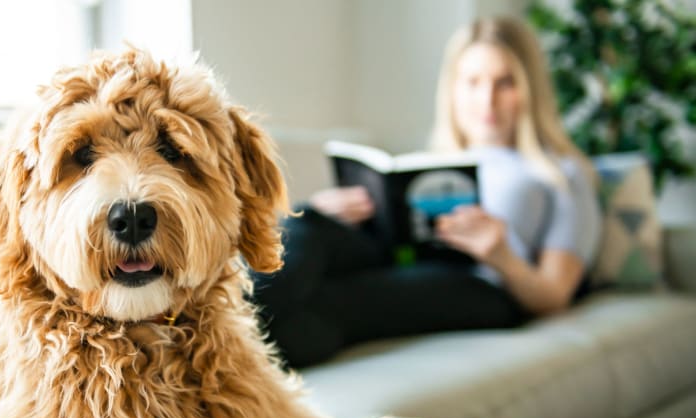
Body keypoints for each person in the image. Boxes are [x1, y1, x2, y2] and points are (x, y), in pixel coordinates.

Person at [253, 16, 601, 369]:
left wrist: (500, 255)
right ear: (453, 88)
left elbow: (555, 295)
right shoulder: (436, 160)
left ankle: (218, 346)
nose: (487, 100)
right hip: (401, 257)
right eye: (473, 83)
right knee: (309, 226)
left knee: (335, 303)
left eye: (505, 83)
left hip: (482, 284)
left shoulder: (562, 173)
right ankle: (215, 322)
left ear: (531, 90)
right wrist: (333, 215)